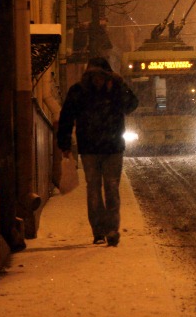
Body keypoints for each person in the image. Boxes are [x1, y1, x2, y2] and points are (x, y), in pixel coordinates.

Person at [56, 57, 138, 246]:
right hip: (95, 149)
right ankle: (100, 231)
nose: (98, 79)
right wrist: (65, 144)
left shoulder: (110, 90)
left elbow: (132, 104)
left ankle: (110, 230)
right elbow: (66, 117)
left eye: (101, 76)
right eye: (95, 76)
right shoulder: (79, 91)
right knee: (96, 188)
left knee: (109, 188)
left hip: (108, 148)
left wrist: (119, 86)